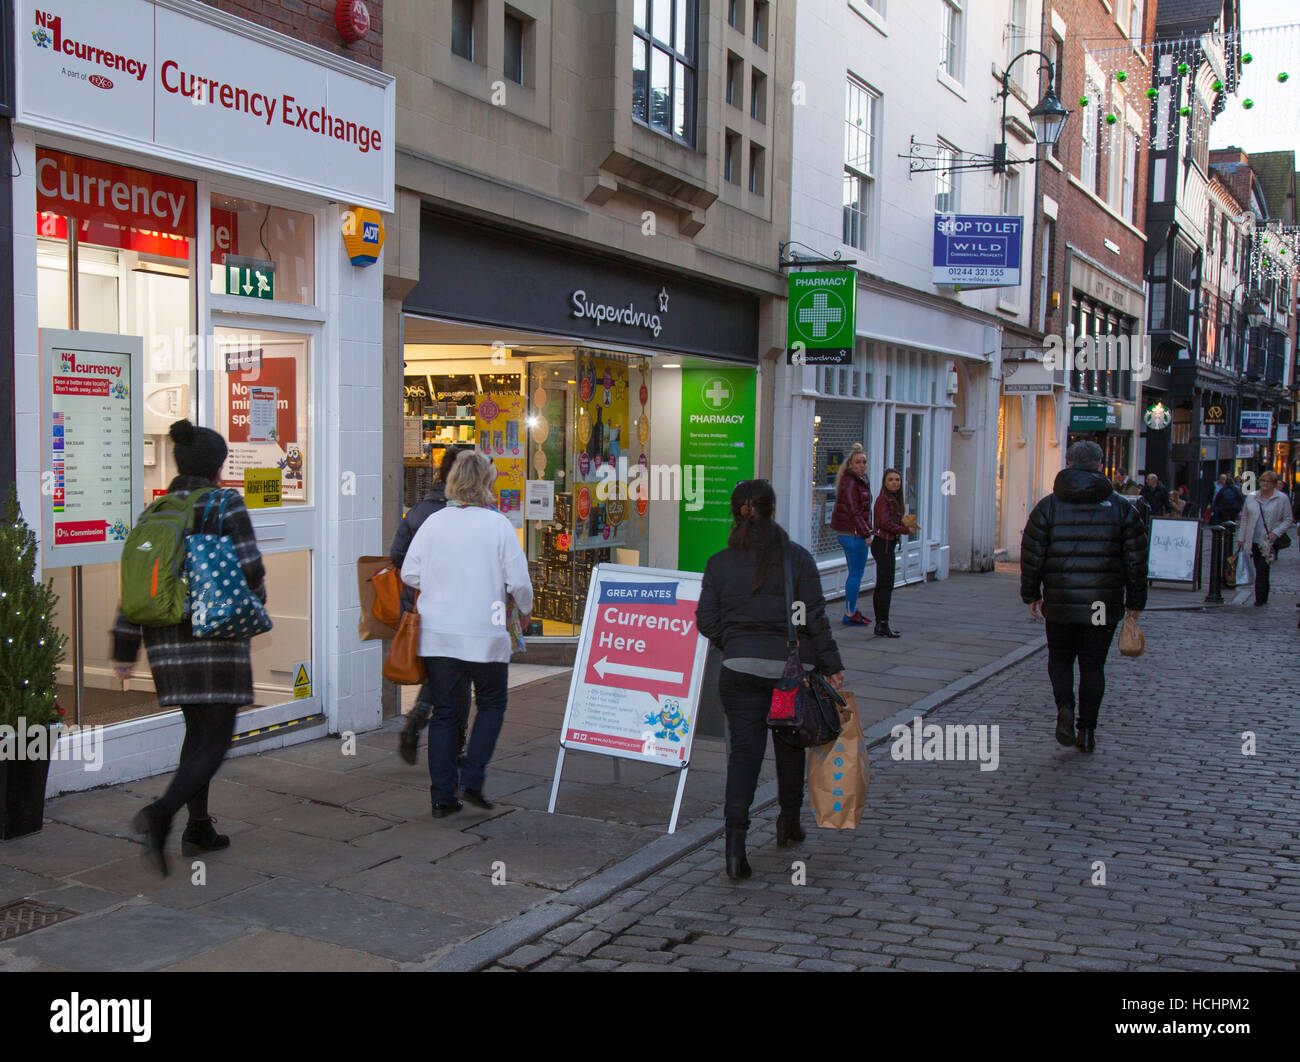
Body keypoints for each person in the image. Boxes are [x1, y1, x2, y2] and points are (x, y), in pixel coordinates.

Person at [113, 420, 267, 876]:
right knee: (217, 737)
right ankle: (161, 815)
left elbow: (135, 583)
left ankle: (197, 827)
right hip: (214, 635)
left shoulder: (155, 510)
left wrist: (125, 646)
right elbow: (251, 569)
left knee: (197, 731)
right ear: (220, 466)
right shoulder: (225, 503)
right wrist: (254, 607)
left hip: (164, 640)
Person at [697, 480, 844, 880]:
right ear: (772, 511)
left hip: (738, 671)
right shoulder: (797, 559)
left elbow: (706, 621)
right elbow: (814, 617)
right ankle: (789, 822)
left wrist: (734, 641)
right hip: (786, 675)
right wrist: (830, 663)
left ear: (734, 513)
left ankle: (734, 847)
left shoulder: (719, 563)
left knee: (742, 757)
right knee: (791, 745)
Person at [400, 453, 532, 817]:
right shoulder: (498, 525)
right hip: (485, 633)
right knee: (491, 703)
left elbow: (409, 574)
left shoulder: (434, 523)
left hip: (439, 634)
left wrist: (441, 583)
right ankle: (472, 777)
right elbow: (519, 582)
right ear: (487, 483)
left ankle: (442, 797)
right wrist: (525, 610)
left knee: (445, 712)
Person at [1020, 440, 1148, 754]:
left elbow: (1032, 552)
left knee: (1060, 658)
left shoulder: (1048, 506)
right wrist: (1135, 602)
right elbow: (1136, 559)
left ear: (1068, 463)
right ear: (1100, 464)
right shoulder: (1121, 508)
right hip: (1102, 602)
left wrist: (1031, 593)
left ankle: (1065, 706)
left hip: (1061, 598)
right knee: (1093, 666)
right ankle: (1086, 729)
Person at [390, 446, 466, 765]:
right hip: (452, 609)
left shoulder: (420, 510)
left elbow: (397, 556)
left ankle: (421, 720)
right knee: (455, 678)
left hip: (418, 608)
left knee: (442, 674)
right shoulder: (461, 514)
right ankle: (449, 745)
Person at [1231, 470, 1295, 606]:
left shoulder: (1281, 498)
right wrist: (1241, 538)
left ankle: (1260, 599)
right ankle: (1261, 594)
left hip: (1268, 541)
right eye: (1263, 481)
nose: (1265, 484)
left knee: (1263, 569)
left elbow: (1288, 519)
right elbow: (1245, 518)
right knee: (1256, 567)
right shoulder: (1252, 497)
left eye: (1269, 481)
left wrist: (1276, 532)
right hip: (1252, 538)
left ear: (1274, 484)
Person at [829, 443, 873, 626]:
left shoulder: (855, 481)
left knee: (854, 573)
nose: (862, 465)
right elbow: (854, 511)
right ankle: (849, 612)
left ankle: (851, 609)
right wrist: (866, 534)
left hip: (850, 533)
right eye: (858, 462)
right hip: (853, 534)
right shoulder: (852, 482)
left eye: (864, 462)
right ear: (850, 464)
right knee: (856, 573)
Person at [871, 469, 911, 638]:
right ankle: (882, 623)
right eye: (891, 480)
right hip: (883, 544)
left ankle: (881, 623)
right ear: (884, 482)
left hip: (888, 543)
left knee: (883, 585)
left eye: (897, 480)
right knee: (886, 585)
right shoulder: (883, 500)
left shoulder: (893, 500)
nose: (894, 483)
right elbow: (884, 523)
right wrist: (904, 529)